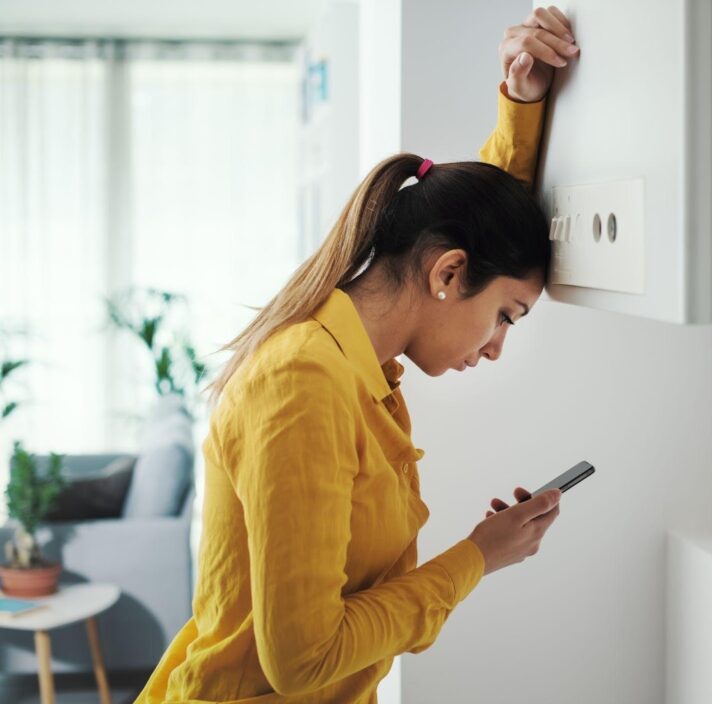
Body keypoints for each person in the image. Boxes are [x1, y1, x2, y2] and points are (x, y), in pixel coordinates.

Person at [134, 6, 580, 704]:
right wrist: (476, 559)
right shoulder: (302, 385)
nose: (494, 348)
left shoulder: (355, 366)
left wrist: (523, 99)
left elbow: (481, 222)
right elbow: (305, 661)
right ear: (447, 275)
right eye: (504, 319)